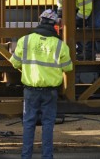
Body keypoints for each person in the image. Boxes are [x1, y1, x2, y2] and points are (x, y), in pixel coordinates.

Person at [10, 9, 73, 159]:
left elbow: (15, 63)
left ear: (40, 21)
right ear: (55, 25)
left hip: (30, 90)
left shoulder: (25, 40)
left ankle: (26, 156)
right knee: (48, 124)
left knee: (29, 123)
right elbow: (68, 67)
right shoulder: (60, 45)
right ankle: (47, 156)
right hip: (50, 91)